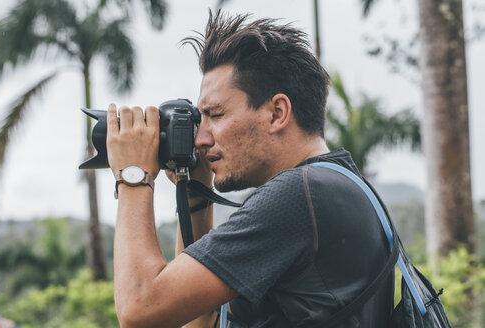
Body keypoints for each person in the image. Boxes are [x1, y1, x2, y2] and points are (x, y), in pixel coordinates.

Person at [107, 11, 394, 327]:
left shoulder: (298, 196)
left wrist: (133, 174)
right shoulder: (338, 184)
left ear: (277, 113)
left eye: (215, 115)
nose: (201, 138)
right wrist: (195, 190)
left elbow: (140, 309)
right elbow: (197, 322)